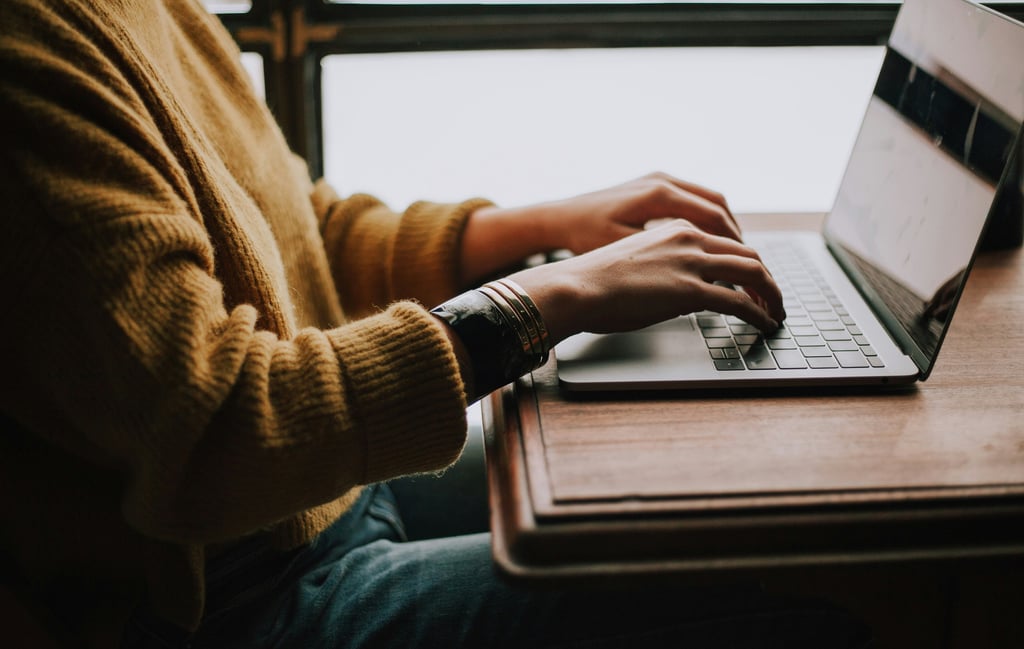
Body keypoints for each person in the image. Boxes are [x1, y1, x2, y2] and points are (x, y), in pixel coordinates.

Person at [0, 1, 869, 647]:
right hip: (231, 597)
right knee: (787, 599)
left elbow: (294, 231)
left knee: (723, 496)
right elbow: (220, 430)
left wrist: (539, 228)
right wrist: (548, 298)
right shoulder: (27, 58)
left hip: (324, 494)